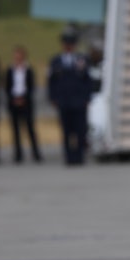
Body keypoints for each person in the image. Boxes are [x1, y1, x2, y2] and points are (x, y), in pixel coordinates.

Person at [48, 29, 92, 165]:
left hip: (78, 102)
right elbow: (51, 82)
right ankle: (68, 157)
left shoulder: (82, 59)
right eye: (66, 42)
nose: (68, 45)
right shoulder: (56, 61)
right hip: (64, 101)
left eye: (71, 43)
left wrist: (87, 98)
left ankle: (79, 157)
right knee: (66, 131)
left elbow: (88, 81)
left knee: (80, 130)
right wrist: (53, 98)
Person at [6, 45, 42, 163]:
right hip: (14, 102)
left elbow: (31, 87)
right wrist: (14, 99)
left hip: (26, 102)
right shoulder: (10, 70)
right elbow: (7, 87)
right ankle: (18, 154)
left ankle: (36, 153)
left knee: (30, 129)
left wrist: (23, 99)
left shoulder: (28, 70)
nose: (18, 58)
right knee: (15, 130)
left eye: (20, 55)